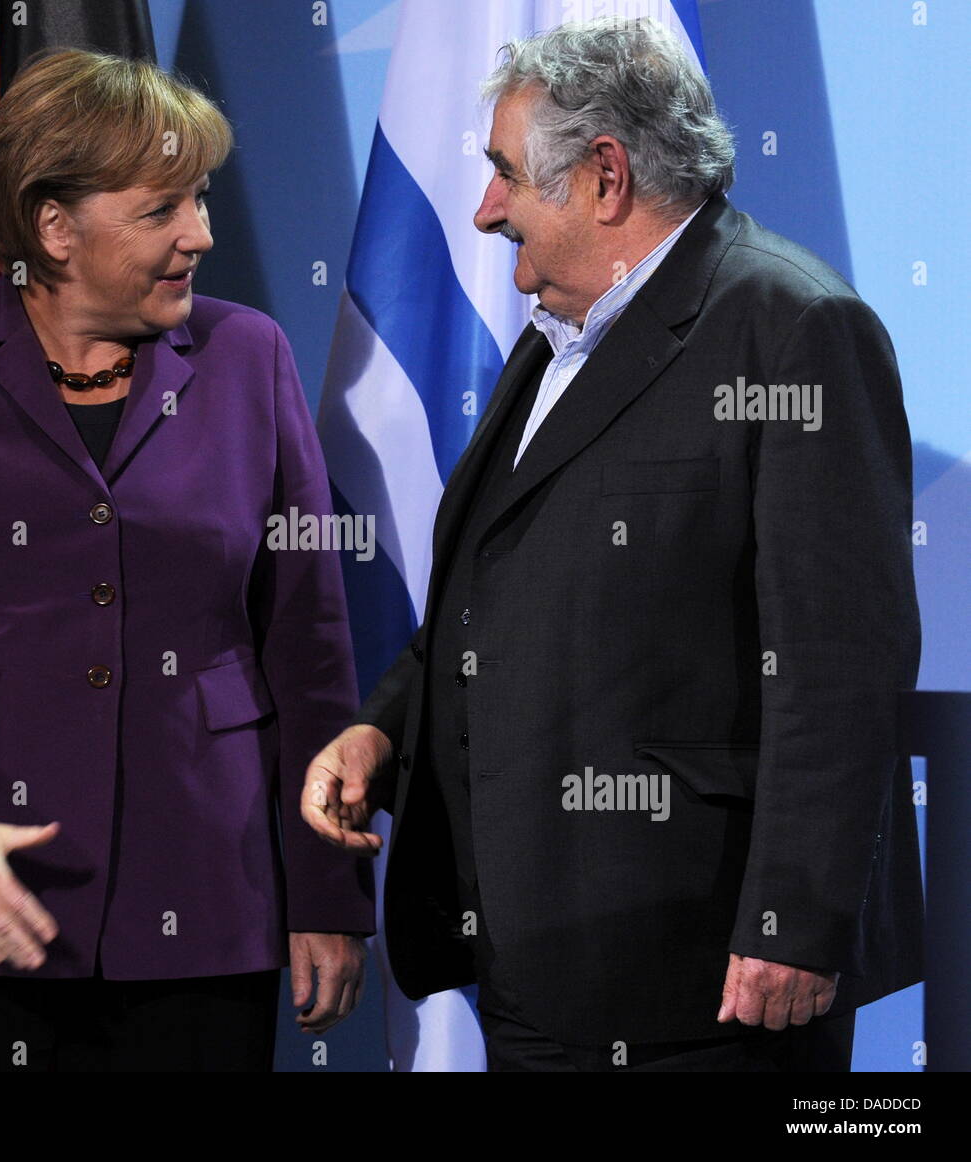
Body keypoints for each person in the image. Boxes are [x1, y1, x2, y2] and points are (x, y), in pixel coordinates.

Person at [302, 17, 921, 1073]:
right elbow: (491, 592)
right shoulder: (557, 336)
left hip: (705, 980)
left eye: (504, 174)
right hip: (536, 963)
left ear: (603, 175)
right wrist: (384, 734)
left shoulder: (790, 326)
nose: (483, 210)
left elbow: (839, 661)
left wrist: (793, 922)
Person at [0, 49, 373, 1073]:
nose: (201, 233)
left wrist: (328, 891)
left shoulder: (251, 358)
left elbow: (309, 646)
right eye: (163, 210)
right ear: (55, 227)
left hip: (199, 920)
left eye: (198, 199)